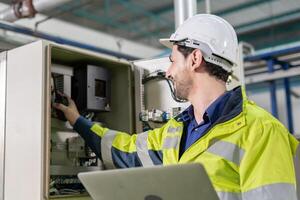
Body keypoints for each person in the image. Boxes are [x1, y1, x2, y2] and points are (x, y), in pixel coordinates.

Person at [54, 14, 300, 200]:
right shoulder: (176, 130)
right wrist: (76, 119)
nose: (169, 71)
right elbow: (123, 150)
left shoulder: (262, 131)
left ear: (195, 59)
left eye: (172, 61)